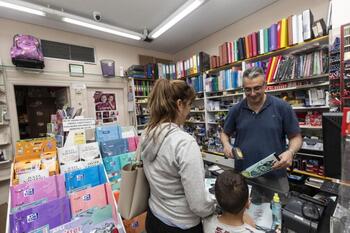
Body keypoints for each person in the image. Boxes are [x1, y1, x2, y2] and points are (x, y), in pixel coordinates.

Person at [141, 79, 215, 233]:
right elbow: (199, 204)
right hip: (181, 224)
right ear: (180, 104)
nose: (189, 113)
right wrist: (216, 206)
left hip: (154, 217)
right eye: (189, 106)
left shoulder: (147, 133)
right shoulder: (184, 143)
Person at [221, 67, 302, 201]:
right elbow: (225, 133)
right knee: (247, 217)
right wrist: (226, 145)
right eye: (248, 89)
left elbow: (296, 137)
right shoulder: (236, 110)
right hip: (244, 176)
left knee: (278, 216)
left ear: (265, 86)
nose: (252, 93)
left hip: (275, 177)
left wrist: (290, 152)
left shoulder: (282, 107)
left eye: (257, 88)